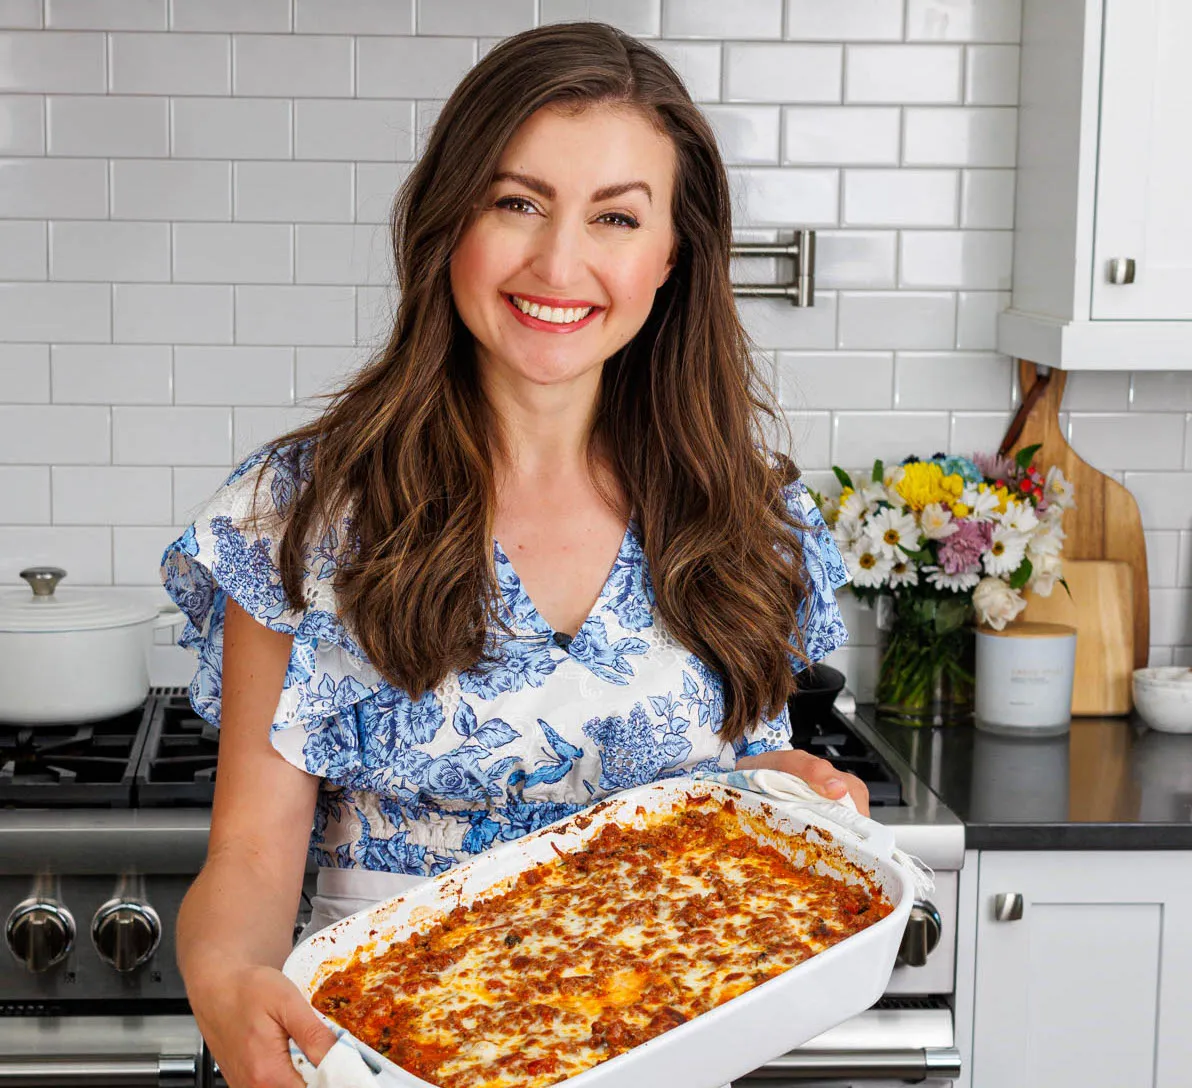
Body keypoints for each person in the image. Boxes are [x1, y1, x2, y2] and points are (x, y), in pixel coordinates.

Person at [160, 21, 863, 1088]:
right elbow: (254, 854)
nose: (557, 263)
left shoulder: (750, 520)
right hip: (390, 1041)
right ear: (450, 221)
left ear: (671, 254)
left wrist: (775, 790)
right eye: (516, 202)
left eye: (616, 217)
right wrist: (221, 970)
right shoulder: (298, 513)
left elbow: (720, 811)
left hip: (659, 1033)